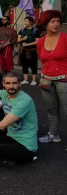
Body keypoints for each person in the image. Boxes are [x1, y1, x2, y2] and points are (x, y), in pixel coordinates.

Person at [36, 10, 67, 144]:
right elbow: (43, 60)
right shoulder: (41, 41)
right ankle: (53, 134)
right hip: (46, 79)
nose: (56, 24)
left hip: (64, 79)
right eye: (52, 21)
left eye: (58, 21)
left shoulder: (65, 37)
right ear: (45, 23)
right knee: (51, 109)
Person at [17, 16, 40, 85]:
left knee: (33, 64)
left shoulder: (35, 30)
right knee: (24, 64)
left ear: (31, 22)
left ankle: (34, 80)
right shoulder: (22, 30)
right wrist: (23, 39)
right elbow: (18, 40)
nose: (25, 22)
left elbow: (37, 41)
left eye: (26, 21)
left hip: (32, 50)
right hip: (23, 50)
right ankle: (25, 79)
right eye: (24, 21)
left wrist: (28, 44)